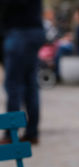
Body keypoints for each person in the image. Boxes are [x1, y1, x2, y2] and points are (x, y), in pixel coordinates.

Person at [0, 0, 45, 144]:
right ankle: (32, 133)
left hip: (18, 32)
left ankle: (11, 134)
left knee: (14, 86)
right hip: (33, 31)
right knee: (30, 85)